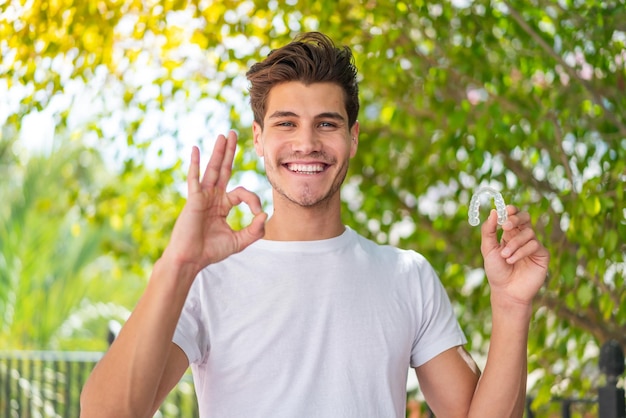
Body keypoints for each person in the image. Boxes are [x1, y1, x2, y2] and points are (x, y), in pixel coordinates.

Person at [80, 32, 549, 418]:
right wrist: (179, 262)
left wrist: (510, 307)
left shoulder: (407, 276)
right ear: (260, 141)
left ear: (353, 137)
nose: (307, 143)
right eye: (286, 124)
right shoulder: (206, 277)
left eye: (327, 124)